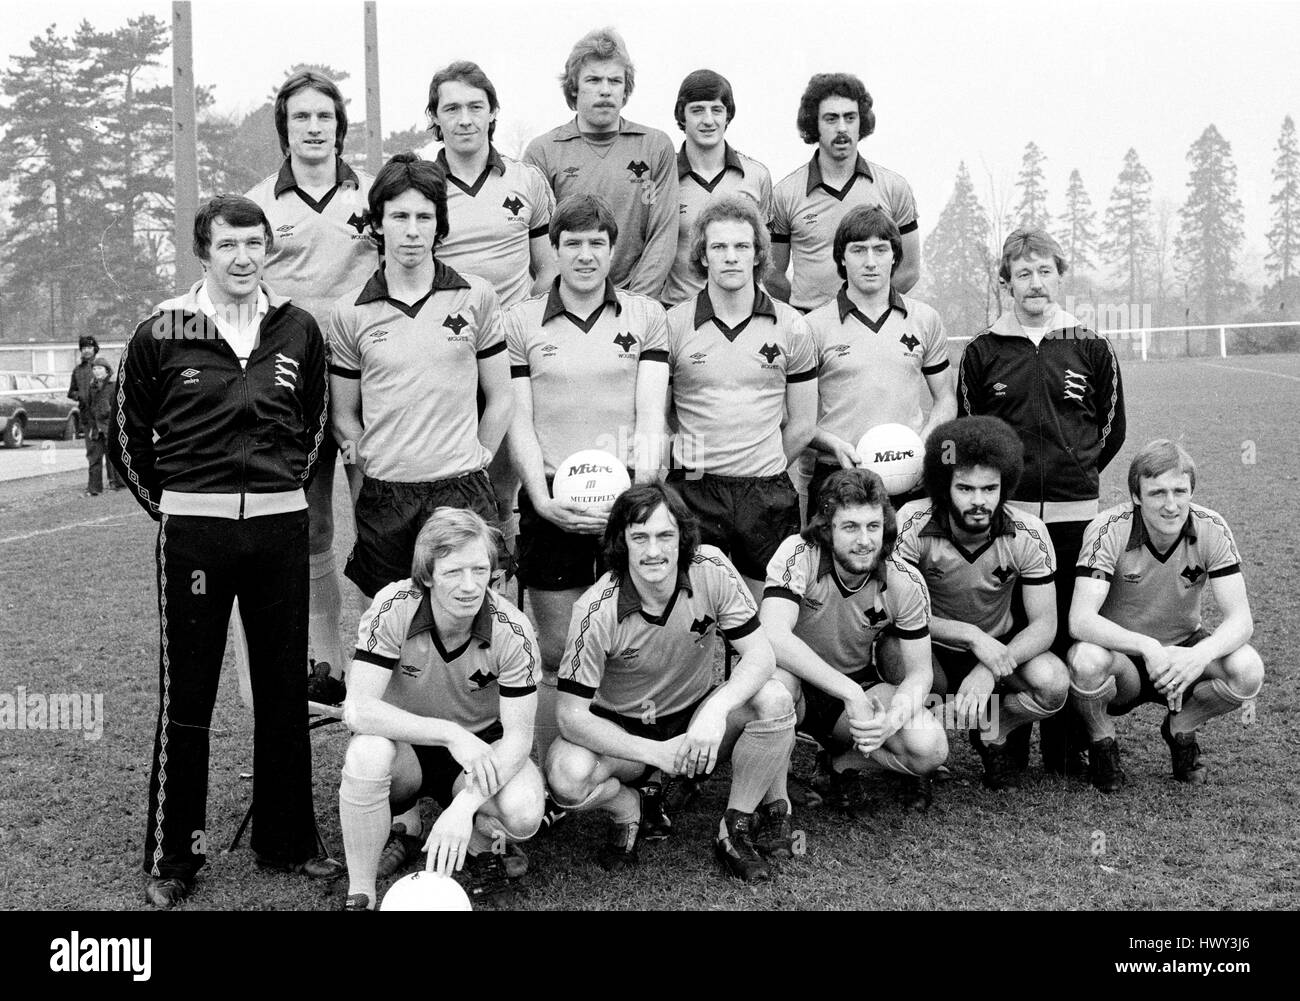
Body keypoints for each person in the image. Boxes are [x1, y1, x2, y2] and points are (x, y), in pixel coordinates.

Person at [111, 194, 340, 908]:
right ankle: (176, 855)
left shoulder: (298, 327)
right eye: (227, 245)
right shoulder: (161, 330)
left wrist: (273, 500)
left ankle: (287, 840)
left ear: (268, 248)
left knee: (282, 691)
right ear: (202, 253)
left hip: (278, 531)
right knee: (190, 698)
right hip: (195, 537)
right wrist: (180, 512)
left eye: (254, 243)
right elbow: (128, 440)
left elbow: (313, 427)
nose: (242, 258)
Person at [546, 483, 796, 882]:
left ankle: (735, 826)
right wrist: (657, 753)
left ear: (683, 537)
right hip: (626, 733)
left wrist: (715, 711)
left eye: (665, 535)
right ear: (620, 543)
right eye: (639, 537)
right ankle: (629, 806)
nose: (654, 551)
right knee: (566, 775)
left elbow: (761, 655)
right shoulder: (595, 611)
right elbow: (571, 717)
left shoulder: (710, 567)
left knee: (775, 698)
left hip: (697, 719)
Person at [503, 193, 668, 769]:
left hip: (627, 507)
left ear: (612, 248)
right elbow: (517, 418)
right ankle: (552, 775)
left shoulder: (646, 316)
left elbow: (652, 410)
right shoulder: (520, 321)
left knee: (628, 645)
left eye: (597, 242)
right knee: (555, 649)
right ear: (554, 249)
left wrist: (641, 496)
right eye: (572, 242)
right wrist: (542, 501)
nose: (585, 254)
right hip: (553, 504)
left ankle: (635, 768)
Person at [957, 227, 1126, 775]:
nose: (1035, 283)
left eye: (1044, 271)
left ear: (1059, 276)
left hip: (1077, 514)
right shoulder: (982, 351)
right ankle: (1006, 741)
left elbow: (1112, 426)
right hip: (1012, 520)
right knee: (1019, 623)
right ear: (1006, 281)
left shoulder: (1091, 345)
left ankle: (1067, 745)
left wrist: (1078, 473)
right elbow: (971, 434)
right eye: (1023, 273)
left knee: (1073, 625)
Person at [246, 70, 378, 704]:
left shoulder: (376, 197)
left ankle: (389, 660)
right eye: (301, 118)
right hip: (292, 389)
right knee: (312, 526)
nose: (314, 128)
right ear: (285, 129)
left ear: (339, 126)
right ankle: (324, 664)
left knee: (382, 523)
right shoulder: (258, 206)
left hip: (370, 382)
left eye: (324, 117)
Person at [338, 508, 543, 909]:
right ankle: (360, 891)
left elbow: (519, 739)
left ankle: (483, 844)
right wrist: (451, 734)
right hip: (407, 746)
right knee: (367, 751)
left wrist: (463, 807)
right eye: (453, 572)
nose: (470, 586)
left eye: (480, 570)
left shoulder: (513, 630)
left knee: (524, 812)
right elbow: (359, 710)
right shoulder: (395, 605)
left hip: (479, 751)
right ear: (427, 574)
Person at [328, 152, 512, 601]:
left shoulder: (477, 296)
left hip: (463, 487)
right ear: (377, 224)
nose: (412, 230)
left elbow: (501, 396)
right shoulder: (350, 311)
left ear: (439, 226)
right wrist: (370, 471)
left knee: (475, 625)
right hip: (387, 495)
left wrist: (476, 459)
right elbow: (344, 416)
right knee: (392, 631)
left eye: (424, 217)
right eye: (399, 216)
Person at [422, 60, 558, 579]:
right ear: (435, 118)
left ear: (493, 112)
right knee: (448, 489)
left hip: (509, 357)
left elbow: (545, 269)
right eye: (450, 108)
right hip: (446, 359)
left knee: (503, 488)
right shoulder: (420, 184)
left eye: (475, 107)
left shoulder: (526, 180)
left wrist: (525, 331)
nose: (464, 119)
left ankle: (502, 624)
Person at [1067, 440, 1264, 791]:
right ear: (1137, 496)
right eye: (1157, 493)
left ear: (1191, 491)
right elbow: (1081, 620)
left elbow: (1241, 620)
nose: (1171, 505)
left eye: (1179, 491)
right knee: (1085, 659)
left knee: (1248, 670)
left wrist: (1198, 655)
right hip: (1124, 658)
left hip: (1183, 651)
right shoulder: (1108, 528)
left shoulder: (1211, 528)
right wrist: (1146, 646)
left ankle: (1181, 728)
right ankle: (1102, 742)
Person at [893, 417, 1068, 790]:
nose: (978, 501)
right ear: (943, 486)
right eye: (965, 488)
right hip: (929, 647)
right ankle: (919, 754)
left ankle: (993, 730)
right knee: (894, 654)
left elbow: (1044, 625)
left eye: (989, 488)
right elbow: (897, 614)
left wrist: (991, 668)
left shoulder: (1028, 532)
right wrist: (971, 636)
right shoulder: (911, 523)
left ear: (1005, 485)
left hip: (998, 650)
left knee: (1053, 684)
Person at [762, 468, 946, 814]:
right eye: (850, 527)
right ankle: (774, 792)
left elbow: (920, 674)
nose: (864, 540)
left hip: (855, 683)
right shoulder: (799, 553)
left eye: (873, 527)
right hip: (793, 679)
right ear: (826, 528)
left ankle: (839, 766)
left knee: (930, 748)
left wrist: (892, 719)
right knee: (777, 690)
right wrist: (849, 692)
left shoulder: (905, 580)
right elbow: (773, 635)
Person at [666, 194, 817, 602]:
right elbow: (661, 417)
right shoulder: (672, 325)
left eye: (741, 246)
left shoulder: (792, 326)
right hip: (694, 485)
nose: (731, 257)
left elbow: (803, 422)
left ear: (757, 254)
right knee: (692, 614)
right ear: (702, 255)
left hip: (766, 490)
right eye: (719, 247)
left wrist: (761, 466)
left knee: (767, 615)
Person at [804, 205, 955, 513]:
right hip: (839, 473)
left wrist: (924, 444)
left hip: (908, 475)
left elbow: (946, 399)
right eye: (858, 250)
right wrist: (833, 443)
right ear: (841, 258)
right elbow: (791, 416)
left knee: (909, 562)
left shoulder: (925, 319)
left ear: (895, 257)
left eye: (880, 250)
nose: (870, 262)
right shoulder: (811, 326)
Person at [524, 27, 678, 300]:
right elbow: (541, 248)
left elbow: (662, 236)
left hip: (637, 301)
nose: (605, 91)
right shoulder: (543, 152)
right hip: (568, 304)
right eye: (594, 80)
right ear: (574, 88)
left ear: (625, 89)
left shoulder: (655, 146)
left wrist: (635, 304)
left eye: (615, 81)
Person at [769, 73, 919, 312]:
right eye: (831, 119)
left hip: (872, 326)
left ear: (862, 122)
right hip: (810, 330)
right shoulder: (784, 194)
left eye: (850, 118)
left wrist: (868, 310)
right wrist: (812, 316)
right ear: (814, 124)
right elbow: (773, 274)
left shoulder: (894, 188)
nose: (842, 128)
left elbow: (909, 270)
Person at [661, 69, 772, 308]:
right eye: (697, 110)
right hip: (680, 310)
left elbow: (763, 253)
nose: (708, 120)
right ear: (682, 116)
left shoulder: (756, 175)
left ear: (728, 115)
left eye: (717, 110)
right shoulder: (662, 176)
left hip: (743, 312)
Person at [68, 334, 123, 493]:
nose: (86, 351)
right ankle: (94, 487)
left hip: (106, 418)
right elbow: (71, 392)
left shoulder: (102, 366)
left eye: (89, 348)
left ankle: (116, 482)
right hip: (88, 417)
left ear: (95, 349)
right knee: (93, 454)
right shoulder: (77, 371)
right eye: (84, 348)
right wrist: (81, 396)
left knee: (112, 452)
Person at [81, 355, 118, 497]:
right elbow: (89, 408)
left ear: (107, 370)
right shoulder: (91, 387)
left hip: (110, 426)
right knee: (94, 457)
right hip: (96, 428)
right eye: (94, 368)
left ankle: (116, 483)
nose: (97, 371)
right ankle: (94, 488)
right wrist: (91, 427)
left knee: (113, 457)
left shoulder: (114, 386)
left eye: (100, 368)